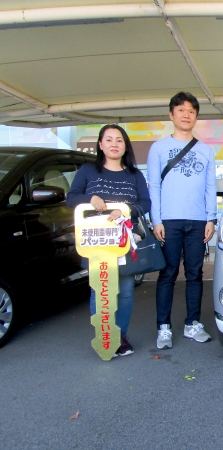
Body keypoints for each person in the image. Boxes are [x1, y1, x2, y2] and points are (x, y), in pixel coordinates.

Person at [67, 124, 151, 356]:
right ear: (101, 145)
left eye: (119, 140)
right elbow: (71, 198)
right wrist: (90, 198)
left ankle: (120, 336)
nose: (114, 144)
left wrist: (126, 211)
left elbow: (145, 203)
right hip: (96, 243)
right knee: (101, 290)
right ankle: (105, 337)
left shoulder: (135, 174)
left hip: (124, 242)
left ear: (125, 146)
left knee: (125, 290)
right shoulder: (87, 171)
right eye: (109, 139)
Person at [147, 92, 217, 349]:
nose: (186, 115)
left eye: (191, 111)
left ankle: (192, 324)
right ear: (171, 114)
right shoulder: (158, 148)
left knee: (195, 273)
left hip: (198, 221)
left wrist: (211, 218)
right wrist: (156, 220)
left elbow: (210, 186)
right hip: (169, 221)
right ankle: (163, 327)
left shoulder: (206, 150)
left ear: (196, 116)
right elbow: (154, 186)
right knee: (167, 273)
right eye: (181, 110)